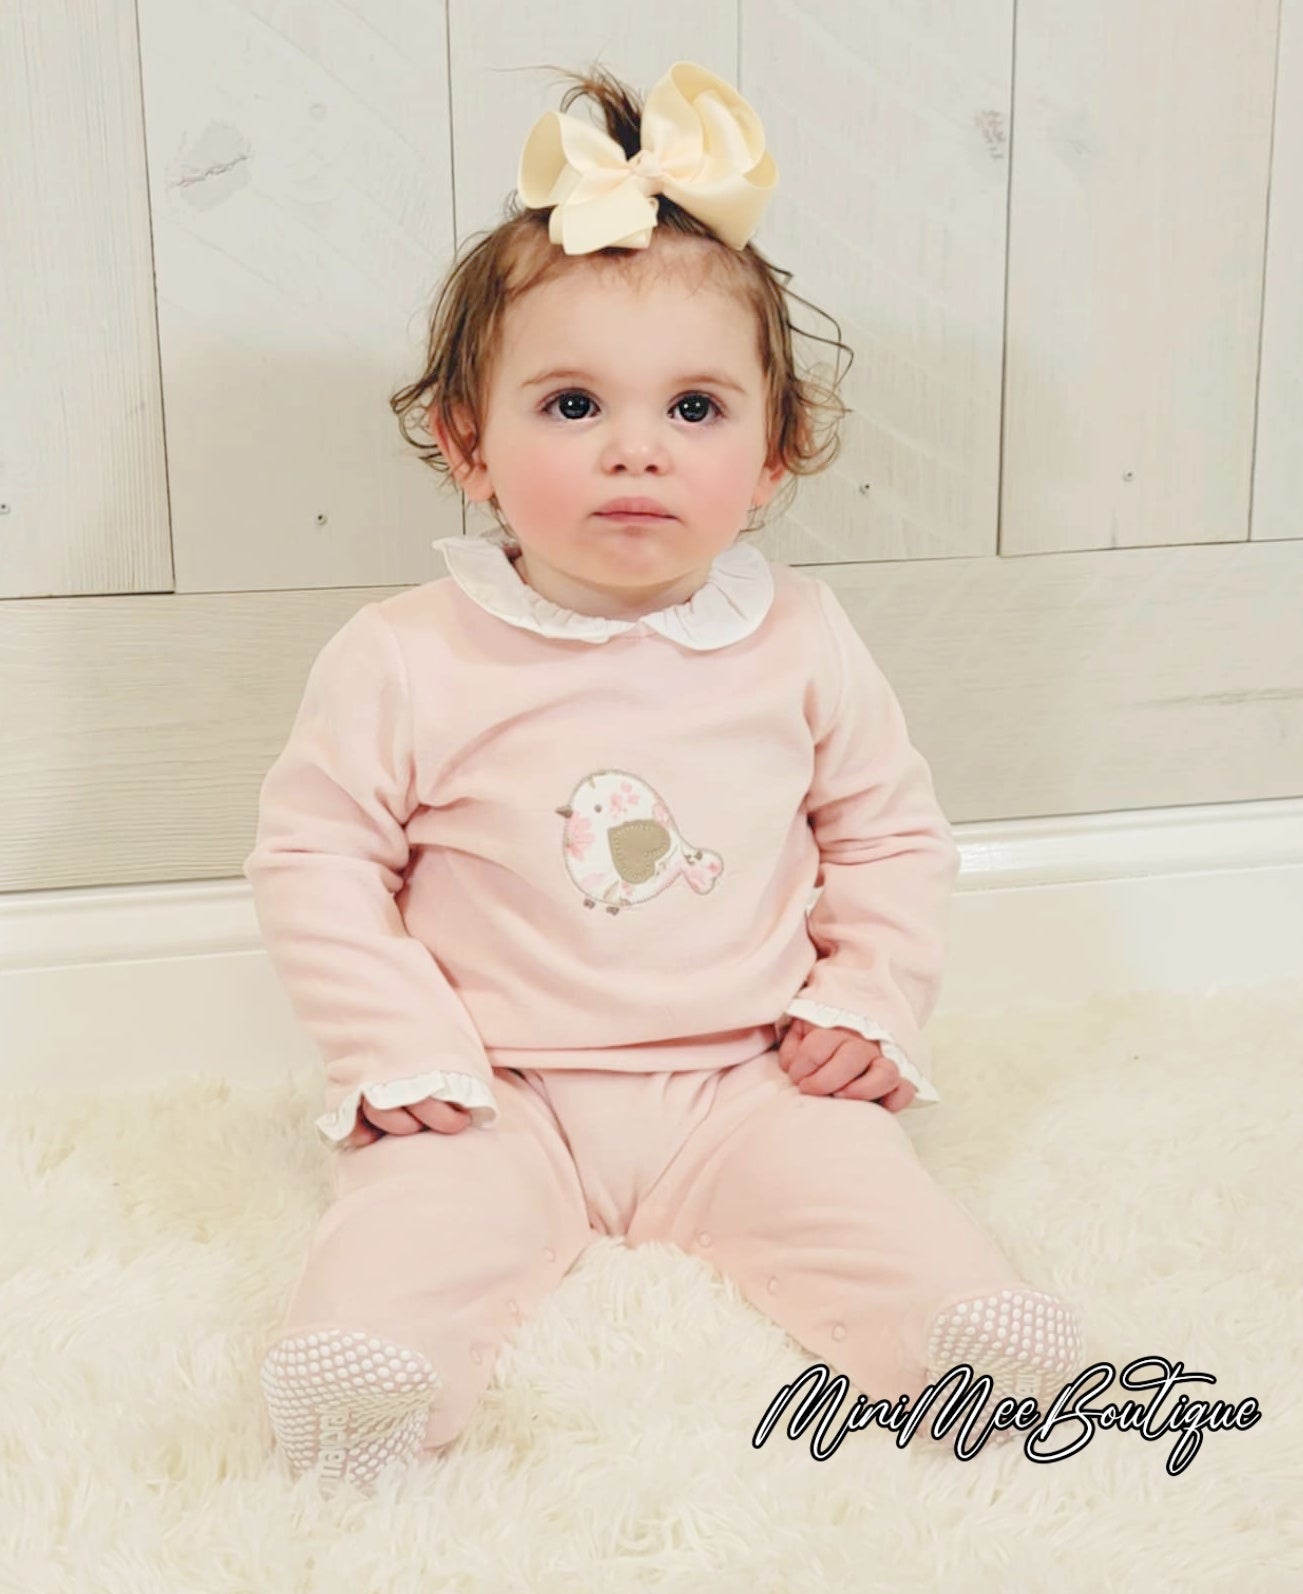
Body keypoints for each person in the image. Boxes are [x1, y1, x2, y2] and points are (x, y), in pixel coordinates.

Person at [244, 59, 1083, 1491]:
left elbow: (888, 834)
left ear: (774, 452)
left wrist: (867, 996)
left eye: (695, 408)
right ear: (469, 442)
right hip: (497, 1085)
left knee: (867, 1205)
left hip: (746, 1077)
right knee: (412, 1225)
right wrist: (396, 1039)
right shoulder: (408, 654)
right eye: (572, 404)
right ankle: (370, 1385)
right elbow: (316, 858)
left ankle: (968, 1357)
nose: (636, 449)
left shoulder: (801, 637)